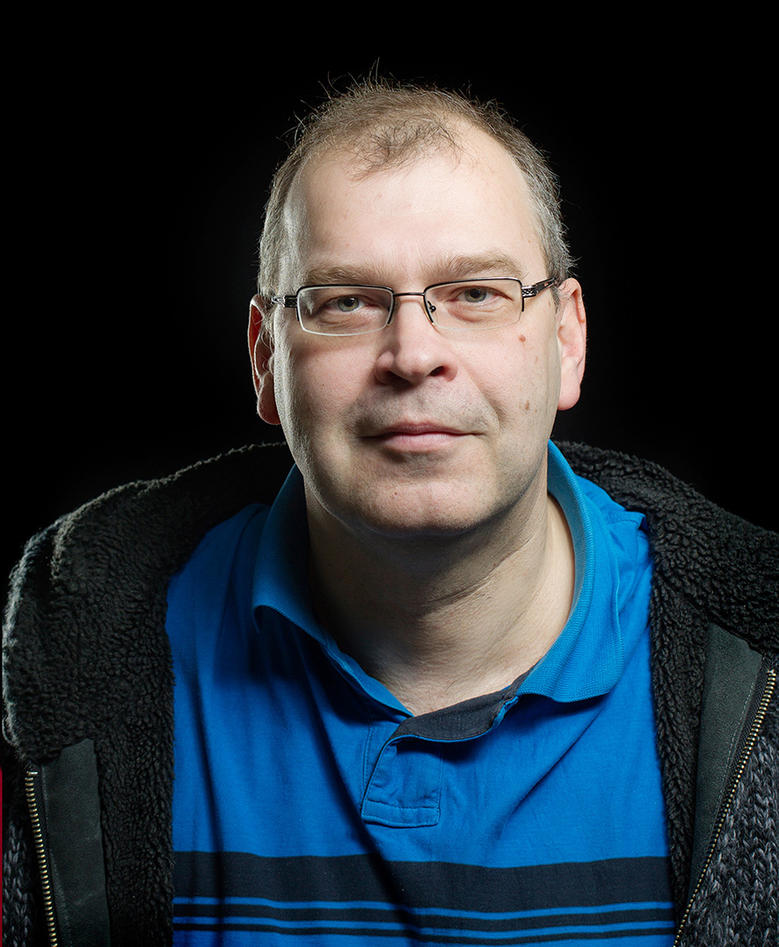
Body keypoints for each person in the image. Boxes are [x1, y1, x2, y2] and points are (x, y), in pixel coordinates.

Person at [2, 78, 776, 947]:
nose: (413, 354)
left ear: (566, 340)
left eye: (475, 292)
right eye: (346, 301)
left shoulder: (754, 659)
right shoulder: (74, 661)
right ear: (266, 360)